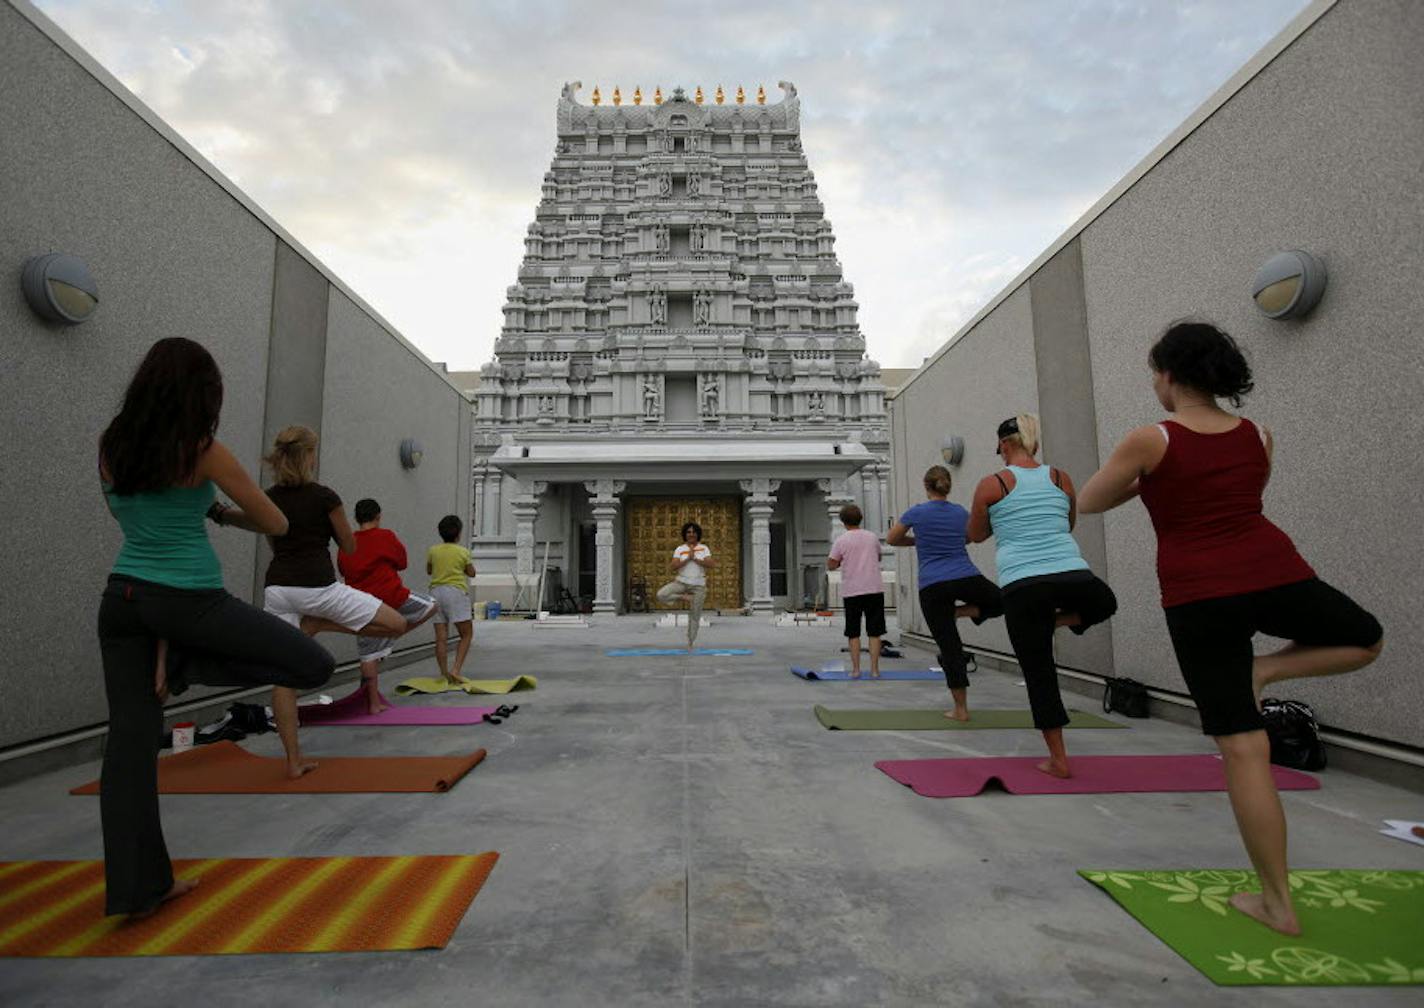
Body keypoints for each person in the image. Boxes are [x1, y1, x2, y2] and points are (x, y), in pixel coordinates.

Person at [1078, 320, 1382, 936]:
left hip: (1199, 597)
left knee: (1245, 749)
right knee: (1365, 638)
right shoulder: (1257, 435)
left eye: (1154, 374)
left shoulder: (1151, 438)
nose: (1155, 385)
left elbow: (1089, 499)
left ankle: (1278, 903)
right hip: (1274, 573)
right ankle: (1266, 669)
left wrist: (1151, 482)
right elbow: (1247, 496)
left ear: (1168, 376)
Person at [97, 337, 336, 917]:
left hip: (123, 599)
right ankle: (183, 661)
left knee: (128, 751)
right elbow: (275, 519)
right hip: (189, 600)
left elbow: (124, 510)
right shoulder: (200, 450)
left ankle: (138, 890)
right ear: (202, 394)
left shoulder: (112, 444)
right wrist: (220, 515)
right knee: (314, 664)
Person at [968, 414, 1118, 774]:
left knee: (1039, 671)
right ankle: (1055, 622)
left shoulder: (992, 484)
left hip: (1022, 583)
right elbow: (1067, 523)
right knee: (1105, 603)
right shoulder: (1060, 477)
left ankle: (1059, 759)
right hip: (1071, 574)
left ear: (1005, 444)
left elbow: (976, 534)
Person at [262, 426, 411, 775]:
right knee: (397, 623)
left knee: (284, 678)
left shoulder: (268, 497)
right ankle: (319, 624)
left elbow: (273, 543)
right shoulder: (324, 496)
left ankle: (293, 762)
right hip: (320, 588)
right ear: (310, 456)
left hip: (278, 589)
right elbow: (349, 546)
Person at [887, 466, 1003, 719]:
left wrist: (918, 541)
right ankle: (963, 611)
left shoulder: (916, 512)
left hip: (933, 584)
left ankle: (960, 709)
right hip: (965, 575)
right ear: (948, 486)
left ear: (926, 486)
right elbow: (970, 538)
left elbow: (892, 539)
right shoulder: (960, 512)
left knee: (950, 647)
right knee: (1003, 600)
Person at [336, 498, 437, 713]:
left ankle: (372, 704)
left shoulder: (348, 542)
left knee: (368, 655)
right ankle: (393, 633)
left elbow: (344, 569)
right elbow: (402, 562)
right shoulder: (385, 536)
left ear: (356, 518)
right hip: (392, 596)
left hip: (360, 603)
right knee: (431, 606)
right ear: (378, 516)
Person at [827, 504, 887, 678]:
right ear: (861, 519)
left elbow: (831, 564)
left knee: (853, 631)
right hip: (874, 588)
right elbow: (879, 556)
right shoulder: (872, 537)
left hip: (852, 590)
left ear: (843, 522)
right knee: (875, 631)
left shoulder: (841, 540)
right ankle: (875, 670)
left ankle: (856, 670)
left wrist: (839, 563)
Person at [427, 514, 477, 684]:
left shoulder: (433, 550)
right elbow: (471, 573)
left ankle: (443, 674)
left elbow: (429, 570)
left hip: (435, 593)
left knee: (441, 637)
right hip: (455, 592)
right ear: (458, 534)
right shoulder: (463, 551)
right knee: (466, 634)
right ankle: (455, 670)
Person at [657, 522, 714, 649]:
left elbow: (711, 564)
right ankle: (683, 597)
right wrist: (688, 558)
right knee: (661, 594)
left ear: (698, 534)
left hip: (699, 585)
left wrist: (696, 559)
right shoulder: (680, 549)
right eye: (688, 532)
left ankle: (691, 642)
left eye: (694, 532)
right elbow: (672, 567)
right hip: (681, 582)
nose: (691, 534)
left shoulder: (704, 548)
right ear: (685, 534)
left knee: (695, 615)